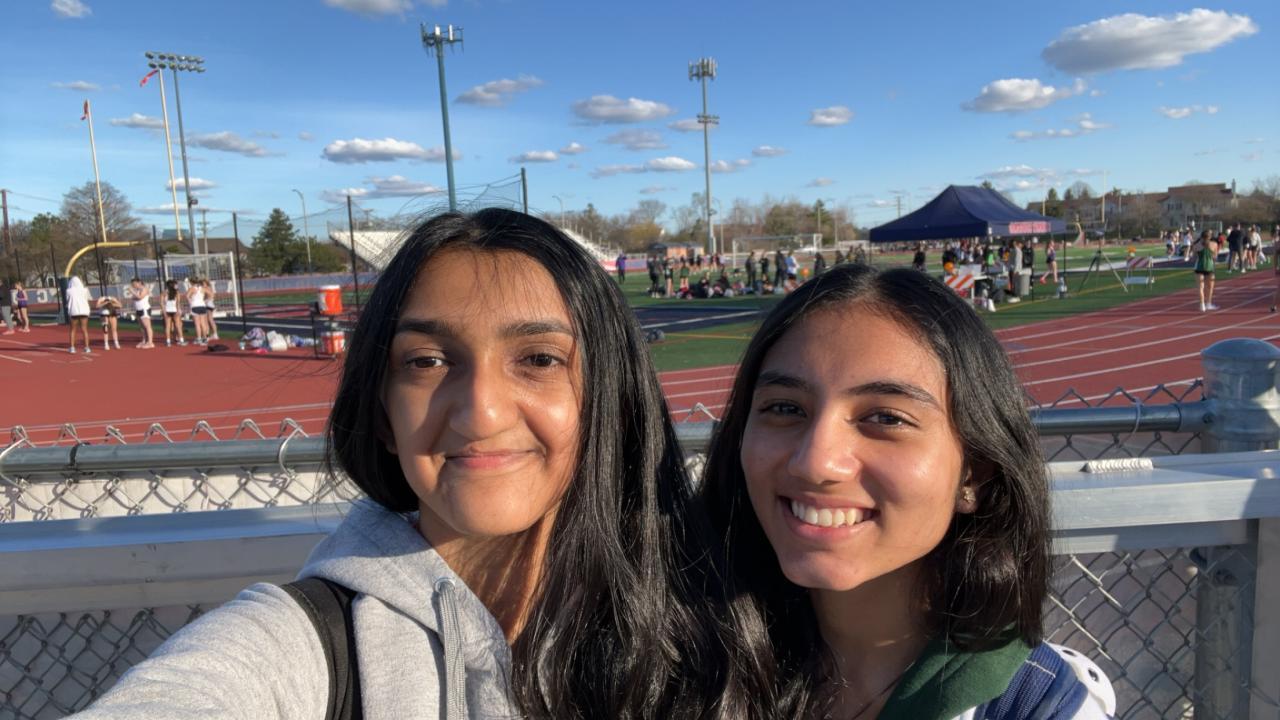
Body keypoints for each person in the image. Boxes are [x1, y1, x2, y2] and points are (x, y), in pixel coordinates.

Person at [68, 208, 773, 720]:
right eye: (427, 361)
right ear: (382, 412)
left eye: (538, 358)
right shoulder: (300, 645)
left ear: (611, 400)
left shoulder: (718, 620)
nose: (480, 413)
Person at [701, 263, 1116, 719]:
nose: (815, 462)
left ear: (973, 476)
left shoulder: (1038, 705)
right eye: (785, 408)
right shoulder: (677, 665)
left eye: (886, 418)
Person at [1192, 230, 1219, 312]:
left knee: (1200, 287)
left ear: (1201, 237)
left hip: (1199, 267)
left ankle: (1202, 305)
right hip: (1209, 267)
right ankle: (1208, 304)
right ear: (1210, 237)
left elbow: (1194, 258)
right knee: (1210, 287)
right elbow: (1215, 257)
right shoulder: (1214, 244)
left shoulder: (1196, 245)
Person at [65, 276, 93, 354]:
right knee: (84, 329)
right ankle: (87, 347)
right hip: (84, 311)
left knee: (73, 329)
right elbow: (88, 299)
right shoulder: (85, 290)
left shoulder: (68, 291)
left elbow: (67, 300)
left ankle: (72, 348)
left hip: (74, 311)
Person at [129, 278, 155, 349]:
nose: (133, 285)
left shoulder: (144, 289)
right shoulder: (137, 290)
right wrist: (135, 295)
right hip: (138, 310)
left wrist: (133, 292)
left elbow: (140, 297)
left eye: (134, 284)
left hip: (144, 309)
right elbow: (133, 298)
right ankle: (144, 340)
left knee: (147, 326)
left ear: (139, 282)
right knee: (142, 327)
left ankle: (150, 342)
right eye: (132, 284)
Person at [162, 279, 187, 346]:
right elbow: (178, 303)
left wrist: (163, 311)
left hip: (167, 310)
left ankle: (168, 341)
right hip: (174, 310)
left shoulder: (164, 293)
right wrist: (178, 310)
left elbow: (162, 303)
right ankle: (181, 340)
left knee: (167, 326)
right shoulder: (177, 292)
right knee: (178, 326)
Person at [187, 277, 209, 345]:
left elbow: (187, 296)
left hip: (195, 306)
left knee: (197, 324)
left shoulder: (192, 288)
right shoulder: (203, 288)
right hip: (202, 306)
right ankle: (205, 339)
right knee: (203, 323)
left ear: (191, 282)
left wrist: (190, 302)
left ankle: (199, 339)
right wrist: (205, 301)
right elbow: (211, 295)